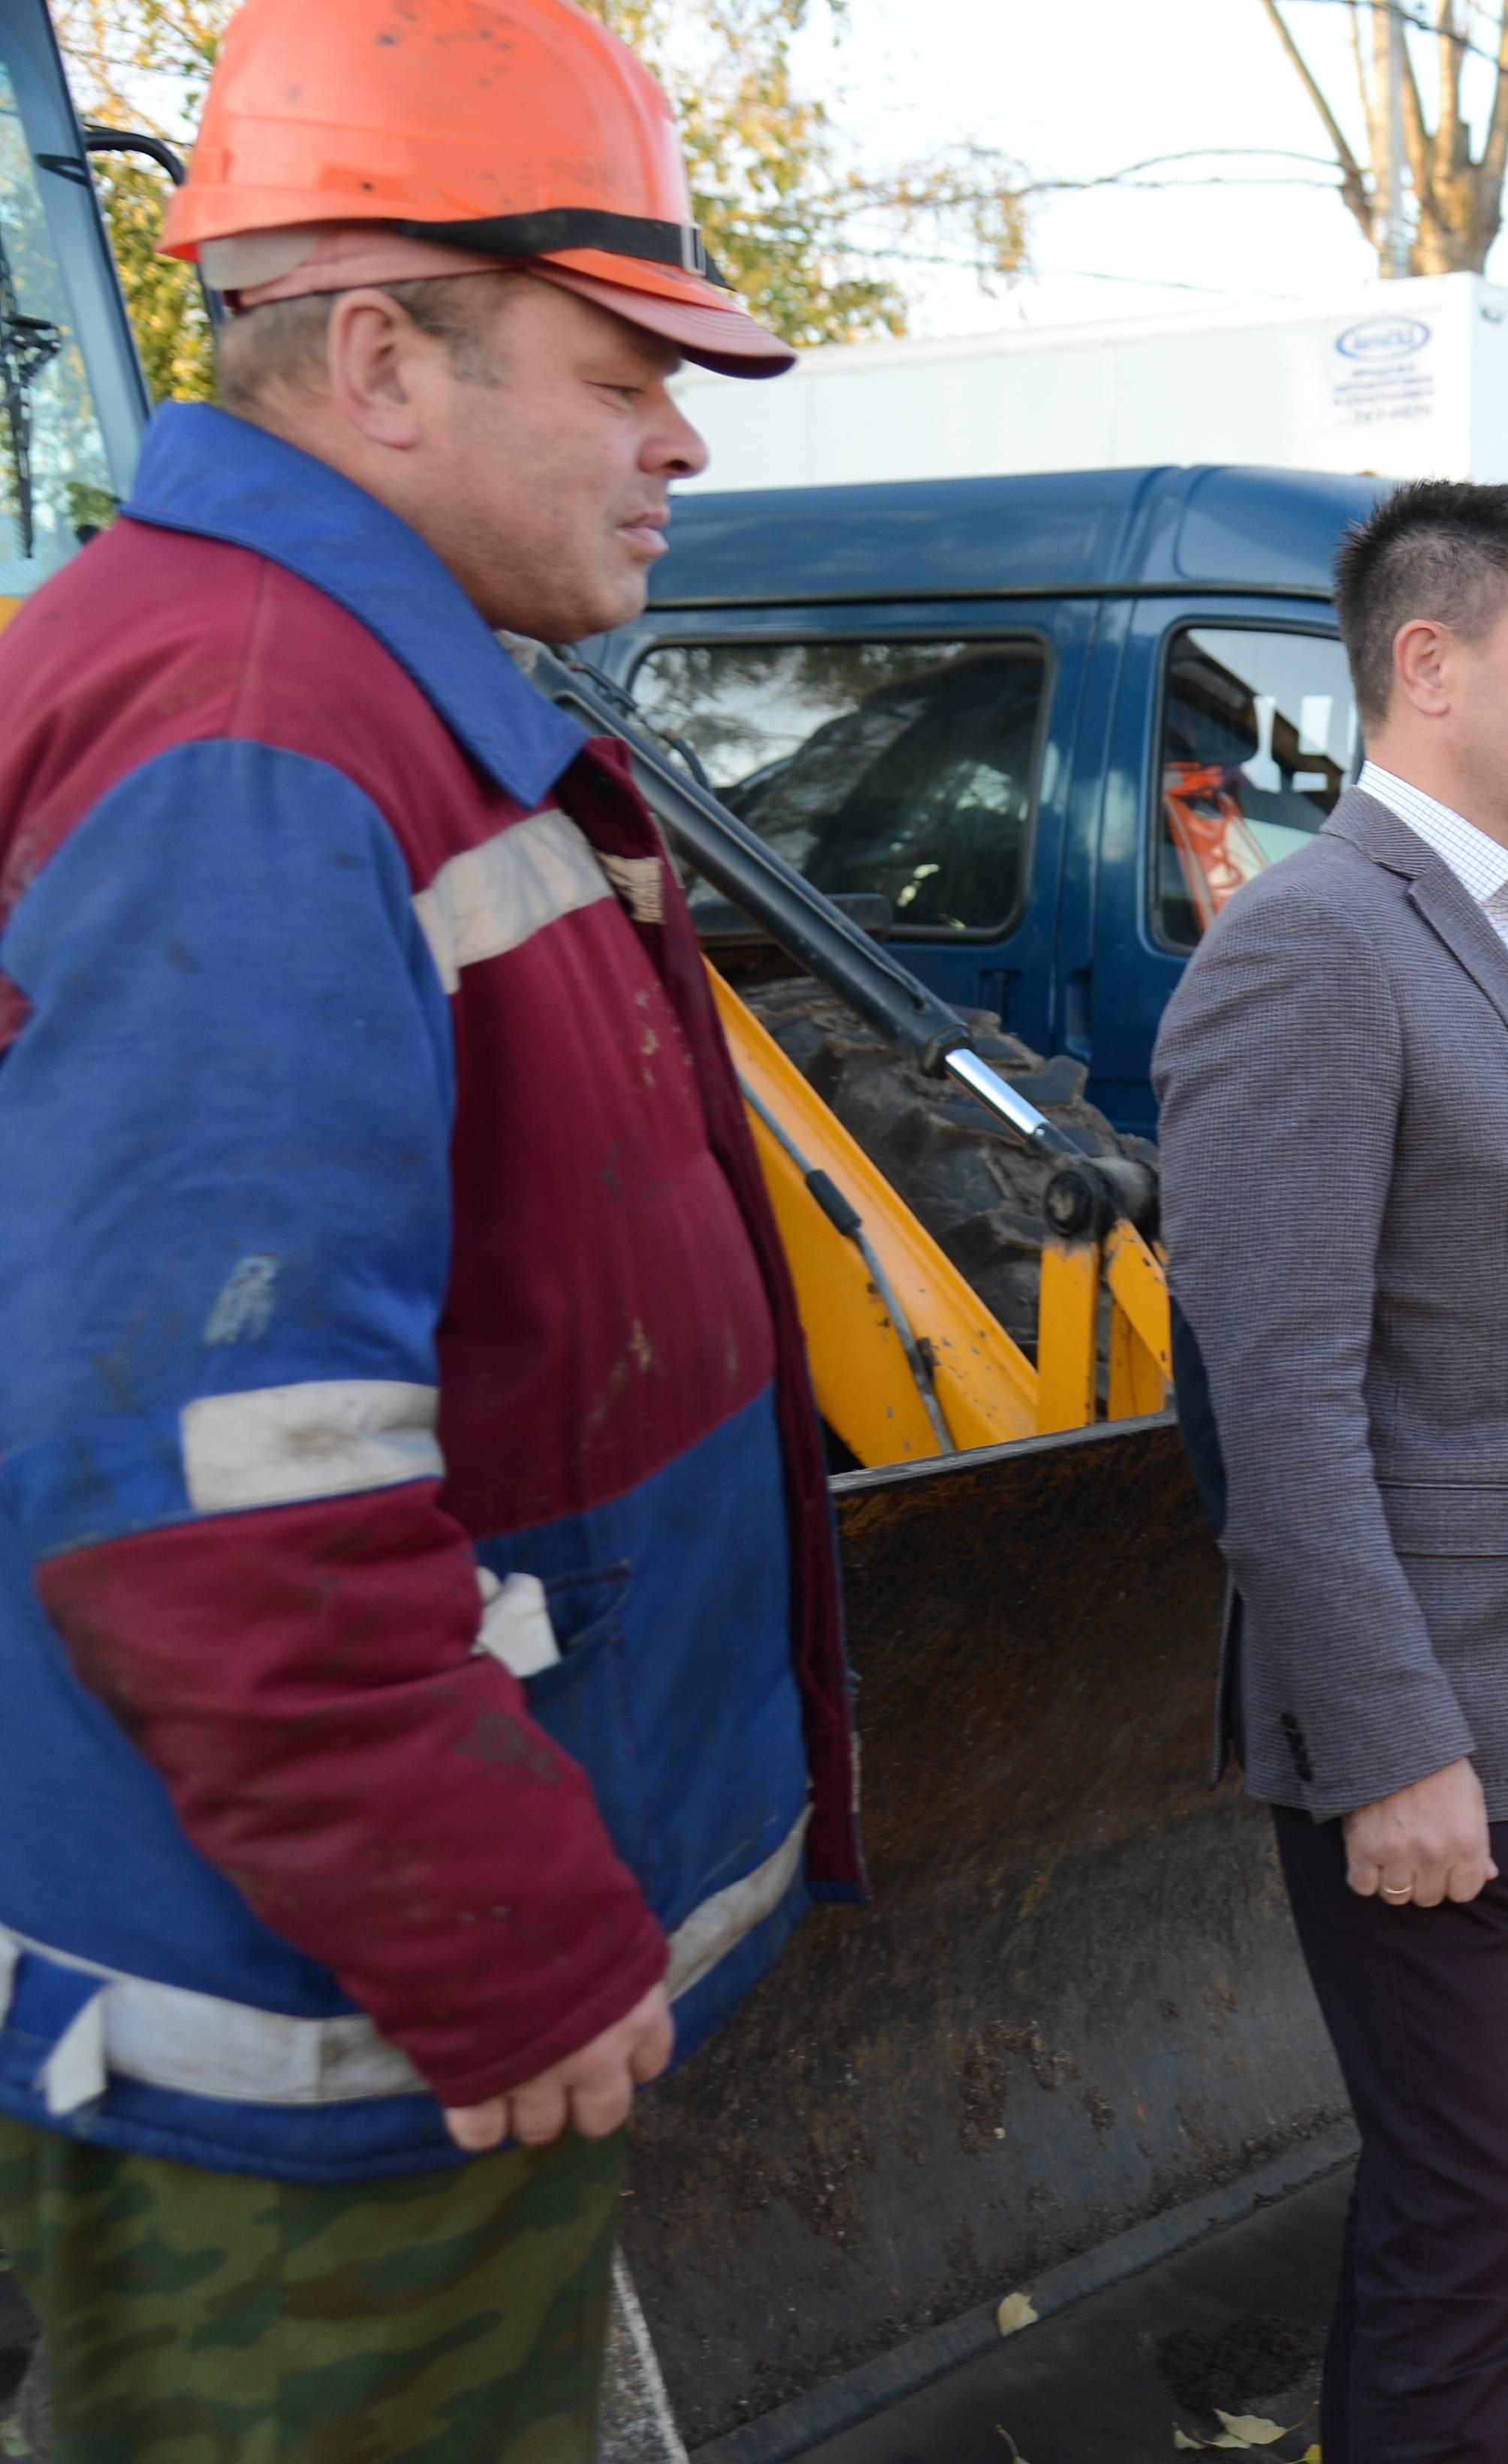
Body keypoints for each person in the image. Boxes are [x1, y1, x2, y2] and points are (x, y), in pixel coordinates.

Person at [0, 0, 842, 2449]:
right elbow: (204, 1484)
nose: (684, 434)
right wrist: (500, 1938)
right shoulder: (255, 740)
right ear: (378, 354)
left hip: (381, 2014)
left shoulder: (342, 693)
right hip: (333, 2067)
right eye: (622, 366)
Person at [1154, 479, 1508, 2464]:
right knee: (1485, 2218)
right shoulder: (1311, 951)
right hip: (1428, 1731)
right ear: (1431, 664)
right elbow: (1272, 1404)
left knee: (1486, 2211)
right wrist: (1391, 1749)